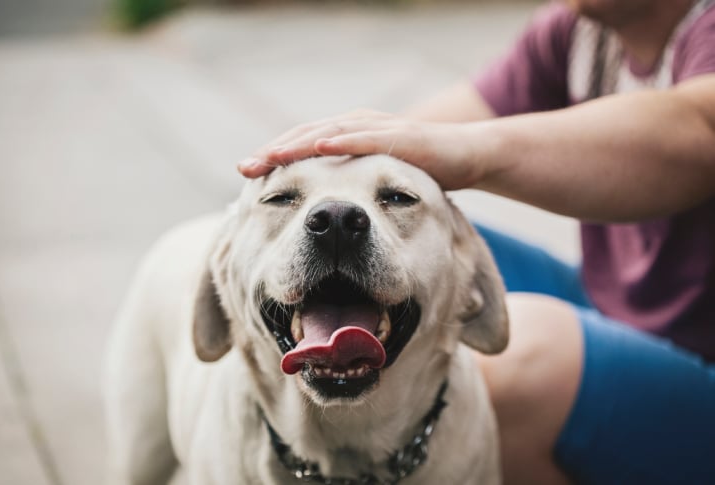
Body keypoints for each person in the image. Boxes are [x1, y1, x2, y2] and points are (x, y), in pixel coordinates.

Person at [237, 0, 715, 483]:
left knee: (520, 358)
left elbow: (702, 126)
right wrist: (302, 201)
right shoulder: (574, 31)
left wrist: (471, 152)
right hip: (615, 303)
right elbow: (397, 143)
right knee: (421, 238)